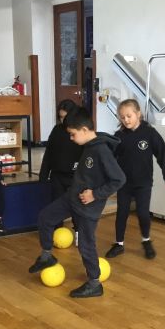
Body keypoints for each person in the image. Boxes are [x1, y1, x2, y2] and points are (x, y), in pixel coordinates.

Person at [29, 106, 126, 298]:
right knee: (45, 217)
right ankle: (46, 256)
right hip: (71, 198)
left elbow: (119, 179)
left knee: (85, 246)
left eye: (73, 134)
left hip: (88, 208)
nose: (71, 138)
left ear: (84, 130)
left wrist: (95, 194)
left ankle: (94, 283)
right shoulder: (88, 145)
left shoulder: (102, 151)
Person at [105, 98, 165, 260]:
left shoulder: (149, 133)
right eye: (122, 117)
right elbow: (110, 158)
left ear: (138, 114)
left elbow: (162, 156)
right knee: (122, 213)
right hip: (124, 183)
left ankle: (146, 240)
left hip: (143, 183)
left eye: (129, 116)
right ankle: (119, 244)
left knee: (143, 213)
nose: (126, 120)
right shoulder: (119, 136)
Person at [39, 99, 83, 240]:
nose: (63, 120)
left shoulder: (80, 131)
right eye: (61, 117)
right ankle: (57, 233)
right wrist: (43, 174)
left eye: (66, 117)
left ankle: (79, 233)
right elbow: (49, 153)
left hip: (74, 177)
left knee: (76, 207)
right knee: (57, 206)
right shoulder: (56, 130)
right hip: (57, 176)